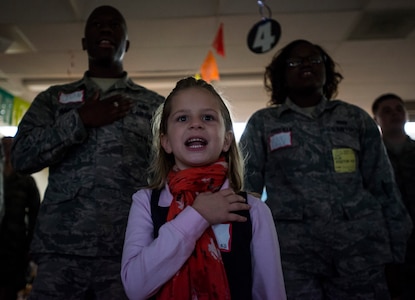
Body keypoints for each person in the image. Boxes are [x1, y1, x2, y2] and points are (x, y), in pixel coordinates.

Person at [11, 5, 164, 300]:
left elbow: (169, 172)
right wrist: (79, 120)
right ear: (83, 42)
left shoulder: (153, 105)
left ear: (127, 44)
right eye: (97, 24)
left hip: (127, 249)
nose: (105, 29)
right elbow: (21, 156)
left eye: (114, 25)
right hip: (61, 251)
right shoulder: (53, 100)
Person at [239, 39, 412, 299]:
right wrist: (245, 251)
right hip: (293, 258)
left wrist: (398, 255)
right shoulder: (263, 123)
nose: (306, 65)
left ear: (326, 69)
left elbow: (384, 186)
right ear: (282, 75)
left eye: (314, 60)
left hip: (359, 253)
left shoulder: (354, 118)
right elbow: (246, 192)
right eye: (295, 62)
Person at [121, 77, 286, 300]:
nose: (196, 124)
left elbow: (270, 294)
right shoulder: (144, 202)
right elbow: (135, 286)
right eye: (182, 118)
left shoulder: (254, 210)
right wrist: (198, 215)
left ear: (227, 141)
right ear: (166, 142)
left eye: (208, 117)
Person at [372, 93, 415, 300]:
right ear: (376, 119)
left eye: (399, 109)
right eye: (386, 111)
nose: (394, 114)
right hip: (388, 244)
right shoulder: (370, 159)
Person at [0, 137, 40, 300]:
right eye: (4, 148)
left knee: (11, 289)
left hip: (16, 246)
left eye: (10, 148)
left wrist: (32, 247)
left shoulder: (26, 181)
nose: (7, 153)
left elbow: (35, 216)